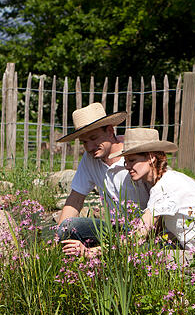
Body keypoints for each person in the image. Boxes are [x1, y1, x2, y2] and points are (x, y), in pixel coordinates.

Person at [62, 128, 195, 257]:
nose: (127, 167)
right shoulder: (164, 182)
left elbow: (137, 237)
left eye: (132, 160)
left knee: (152, 259)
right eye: (125, 161)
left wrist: (92, 253)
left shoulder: (166, 186)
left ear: (151, 158)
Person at [55, 102, 149, 247]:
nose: (89, 147)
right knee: (69, 225)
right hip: (115, 229)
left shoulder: (135, 154)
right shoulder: (90, 158)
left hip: (147, 227)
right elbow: (75, 198)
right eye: (84, 142)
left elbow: (159, 198)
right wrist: (59, 235)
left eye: (94, 138)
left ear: (110, 131)